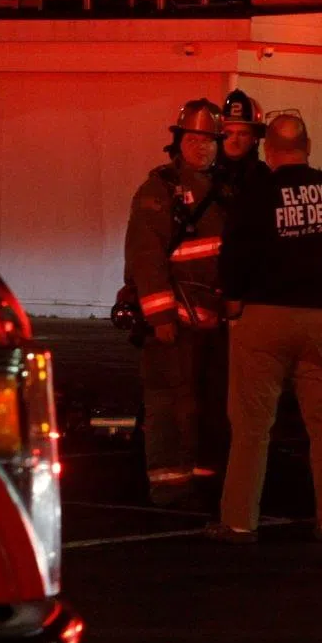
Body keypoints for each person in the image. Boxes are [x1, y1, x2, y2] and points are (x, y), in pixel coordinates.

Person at [210, 113, 322, 543]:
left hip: (264, 318)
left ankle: (240, 521)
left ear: (268, 150)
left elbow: (234, 255)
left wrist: (234, 305)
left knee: (252, 425)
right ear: (309, 146)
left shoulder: (255, 196)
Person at [122, 98, 229, 508]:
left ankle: (204, 480)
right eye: (193, 139)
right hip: (174, 321)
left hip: (214, 321)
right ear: (179, 142)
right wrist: (161, 315)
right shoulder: (159, 190)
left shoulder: (226, 190)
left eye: (209, 140)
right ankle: (168, 484)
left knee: (207, 403)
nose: (202, 147)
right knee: (168, 400)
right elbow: (145, 257)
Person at [218, 89, 270, 198]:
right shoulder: (206, 173)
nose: (234, 140)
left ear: (254, 138)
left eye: (242, 134)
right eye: (228, 133)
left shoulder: (265, 177)